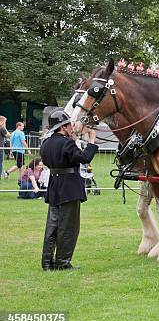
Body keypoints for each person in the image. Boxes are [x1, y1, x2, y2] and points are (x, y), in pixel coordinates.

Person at [40, 110, 98, 271]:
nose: (72, 127)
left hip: (54, 185)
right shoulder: (67, 143)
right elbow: (84, 158)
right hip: (69, 187)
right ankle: (62, 262)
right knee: (68, 227)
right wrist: (92, 141)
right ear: (63, 127)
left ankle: (47, 261)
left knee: (52, 226)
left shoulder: (46, 143)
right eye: (69, 125)